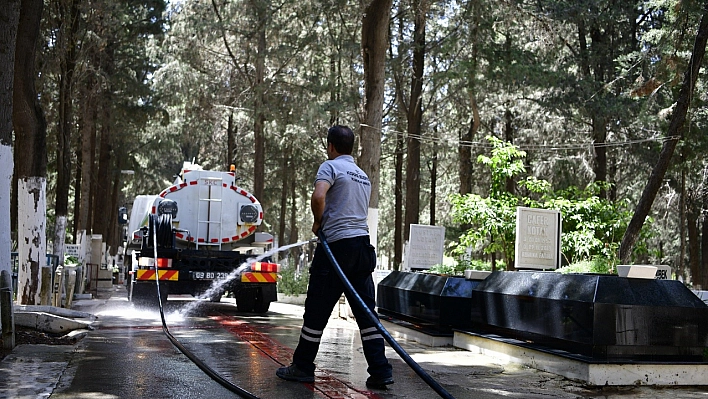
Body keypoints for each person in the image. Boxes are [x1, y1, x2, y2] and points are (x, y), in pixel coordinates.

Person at [276, 125, 394, 389]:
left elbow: (319, 196)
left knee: (316, 310)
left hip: (336, 250)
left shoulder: (330, 167)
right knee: (367, 315)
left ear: (331, 146)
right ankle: (380, 371)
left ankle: (303, 367)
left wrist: (319, 222)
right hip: (363, 249)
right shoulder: (363, 176)